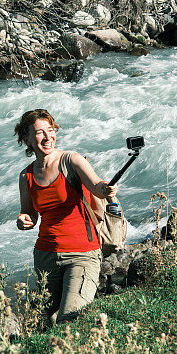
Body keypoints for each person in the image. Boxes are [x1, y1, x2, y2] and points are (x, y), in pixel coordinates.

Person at [14, 109, 118, 324]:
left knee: (69, 321)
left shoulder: (71, 160)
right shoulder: (26, 175)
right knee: (42, 322)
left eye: (51, 131)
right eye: (40, 132)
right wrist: (23, 220)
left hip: (83, 253)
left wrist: (105, 188)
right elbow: (30, 214)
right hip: (45, 255)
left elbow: (96, 186)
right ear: (27, 139)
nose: (48, 137)